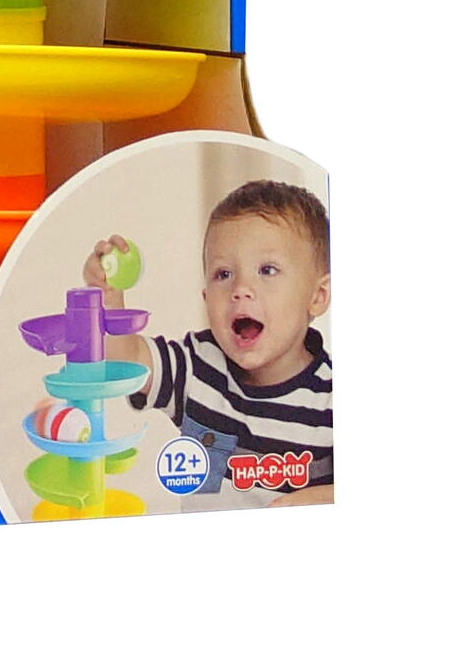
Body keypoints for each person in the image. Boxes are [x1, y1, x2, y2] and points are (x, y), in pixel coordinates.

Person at [85, 179, 332, 506]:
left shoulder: (331, 400)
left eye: (267, 270)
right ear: (206, 299)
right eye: (223, 274)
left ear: (317, 296)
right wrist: (107, 298)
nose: (241, 289)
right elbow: (126, 362)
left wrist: (323, 497)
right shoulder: (196, 368)